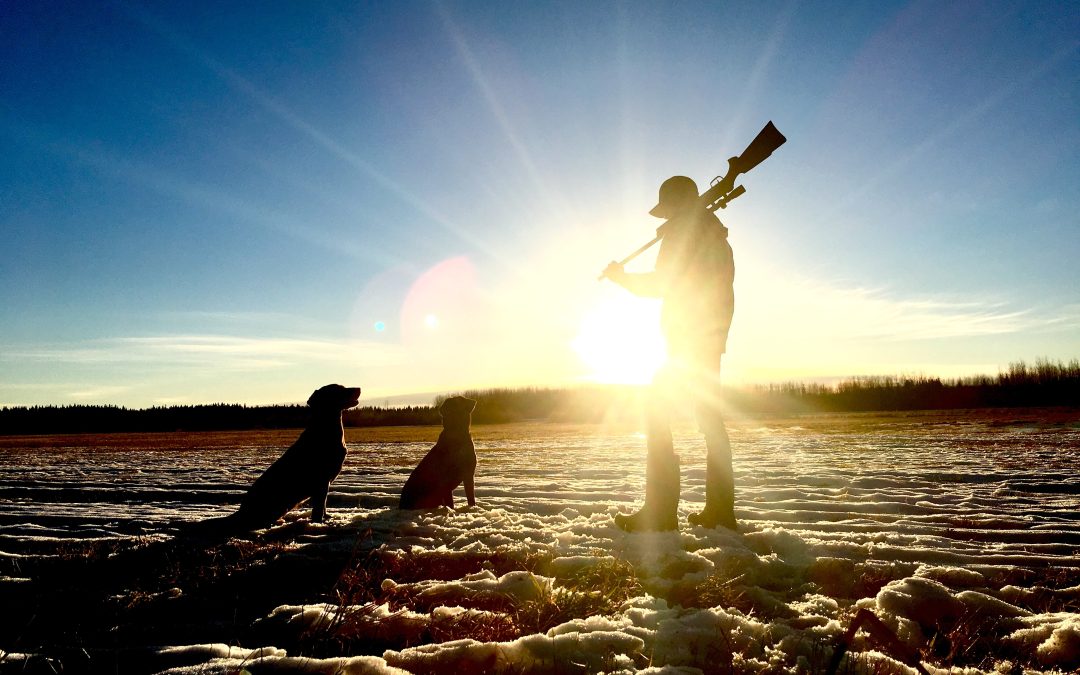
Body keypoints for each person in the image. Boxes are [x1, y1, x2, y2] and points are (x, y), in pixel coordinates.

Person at [603, 175, 737, 532]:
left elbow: (664, 284)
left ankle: (660, 513)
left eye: (668, 211)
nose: (663, 220)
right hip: (707, 340)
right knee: (711, 423)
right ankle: (721, 512)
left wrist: (622, 278)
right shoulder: (711, 232)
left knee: (656, 414)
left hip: (684, 342)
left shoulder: (685, 234)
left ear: (677, 206)